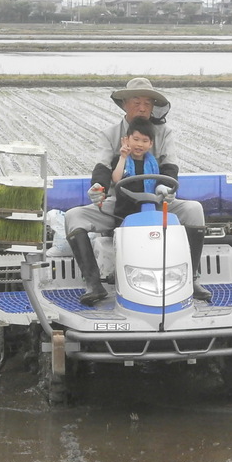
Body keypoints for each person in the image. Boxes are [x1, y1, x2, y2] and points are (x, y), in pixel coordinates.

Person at [65, 78, 211, 306]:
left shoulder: (164, 133)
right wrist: (98, 188)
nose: (142, 108)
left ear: (153, 107)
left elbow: (170, 165)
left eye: (147, 103)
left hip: (157, 200)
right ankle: (93, 284)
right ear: (124, 104)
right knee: (74, 217)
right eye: (136, 102)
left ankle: (191, 280)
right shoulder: (109, 134)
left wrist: (166, 186)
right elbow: (103, 166)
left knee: (194, 210)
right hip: (120, 203)